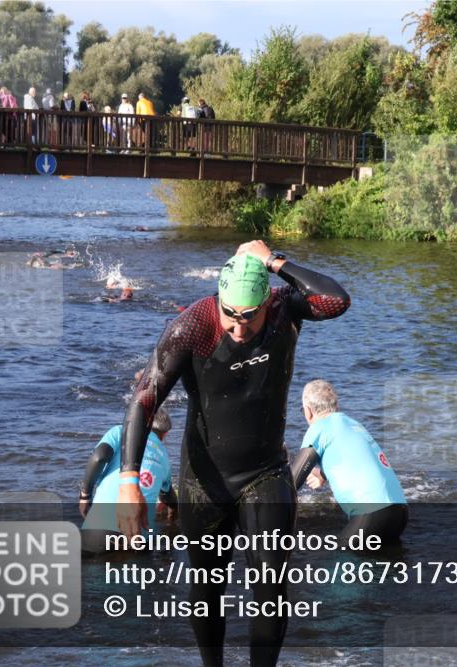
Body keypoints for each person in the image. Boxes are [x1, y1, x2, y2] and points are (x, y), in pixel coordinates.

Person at [117, 240, 350, 667]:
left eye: (249, 317)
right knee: (206, 589)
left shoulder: (284, 309)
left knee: (271, 589)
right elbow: (144, 400)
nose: (239, 328)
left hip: (265, 472)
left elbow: (336, 299)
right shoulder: (191, 327)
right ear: (218, 300)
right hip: (205, 479)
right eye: (231, 316)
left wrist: (273, 261)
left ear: (267, 301)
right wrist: (129, 480)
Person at [291, 380, 408, 545]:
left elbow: (292, 483)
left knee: (341, 564)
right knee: (386, 566)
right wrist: (323, 474)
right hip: (400, 511)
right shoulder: (353, 424)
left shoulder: (318, 428)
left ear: (308, 411)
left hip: (372, 513)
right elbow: (356, 456)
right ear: (336, 407)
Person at [80, 406, 176, 555]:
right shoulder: (163, 455)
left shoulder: (120, 431)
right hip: (140, 538)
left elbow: (99, 457)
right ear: (165, 435)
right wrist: (172, 518)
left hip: (100, 529)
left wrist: (85, 495)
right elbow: (168, 496)